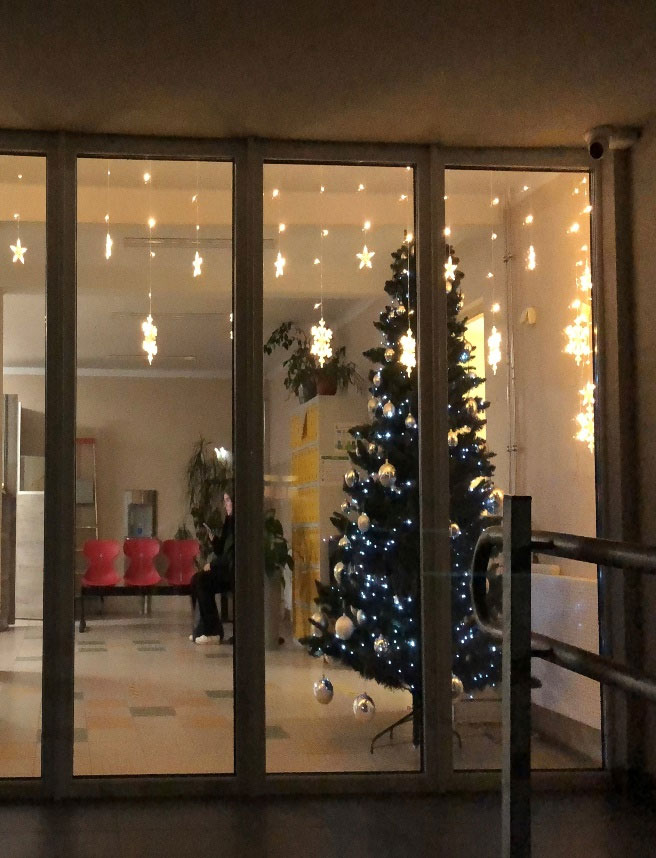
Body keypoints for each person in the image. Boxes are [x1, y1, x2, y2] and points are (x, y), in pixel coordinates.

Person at [189, 490, 234, 644]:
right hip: (225, 566)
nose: (227, 505)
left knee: (202, 580)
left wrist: (213, 564)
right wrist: (214, 540)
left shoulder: (239, 522)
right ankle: (203, 627)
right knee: (196, 579)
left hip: (233, 569)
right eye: (225, 501)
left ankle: (213, 630)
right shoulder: (229, 520)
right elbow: (222, 549)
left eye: (229, 500)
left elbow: (233, 553)